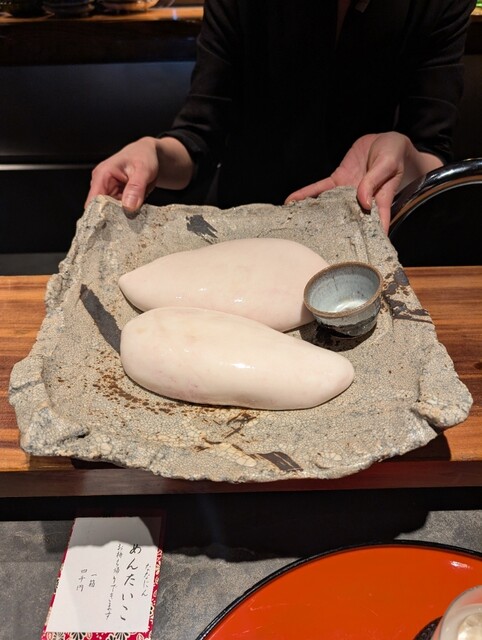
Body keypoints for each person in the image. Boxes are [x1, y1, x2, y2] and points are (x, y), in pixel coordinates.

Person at [86, 0, 475, 233]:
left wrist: (403, 156)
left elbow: (431, 151)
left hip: (362, 234)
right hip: (245, 228)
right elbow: (198, 139)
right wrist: (154, 152)